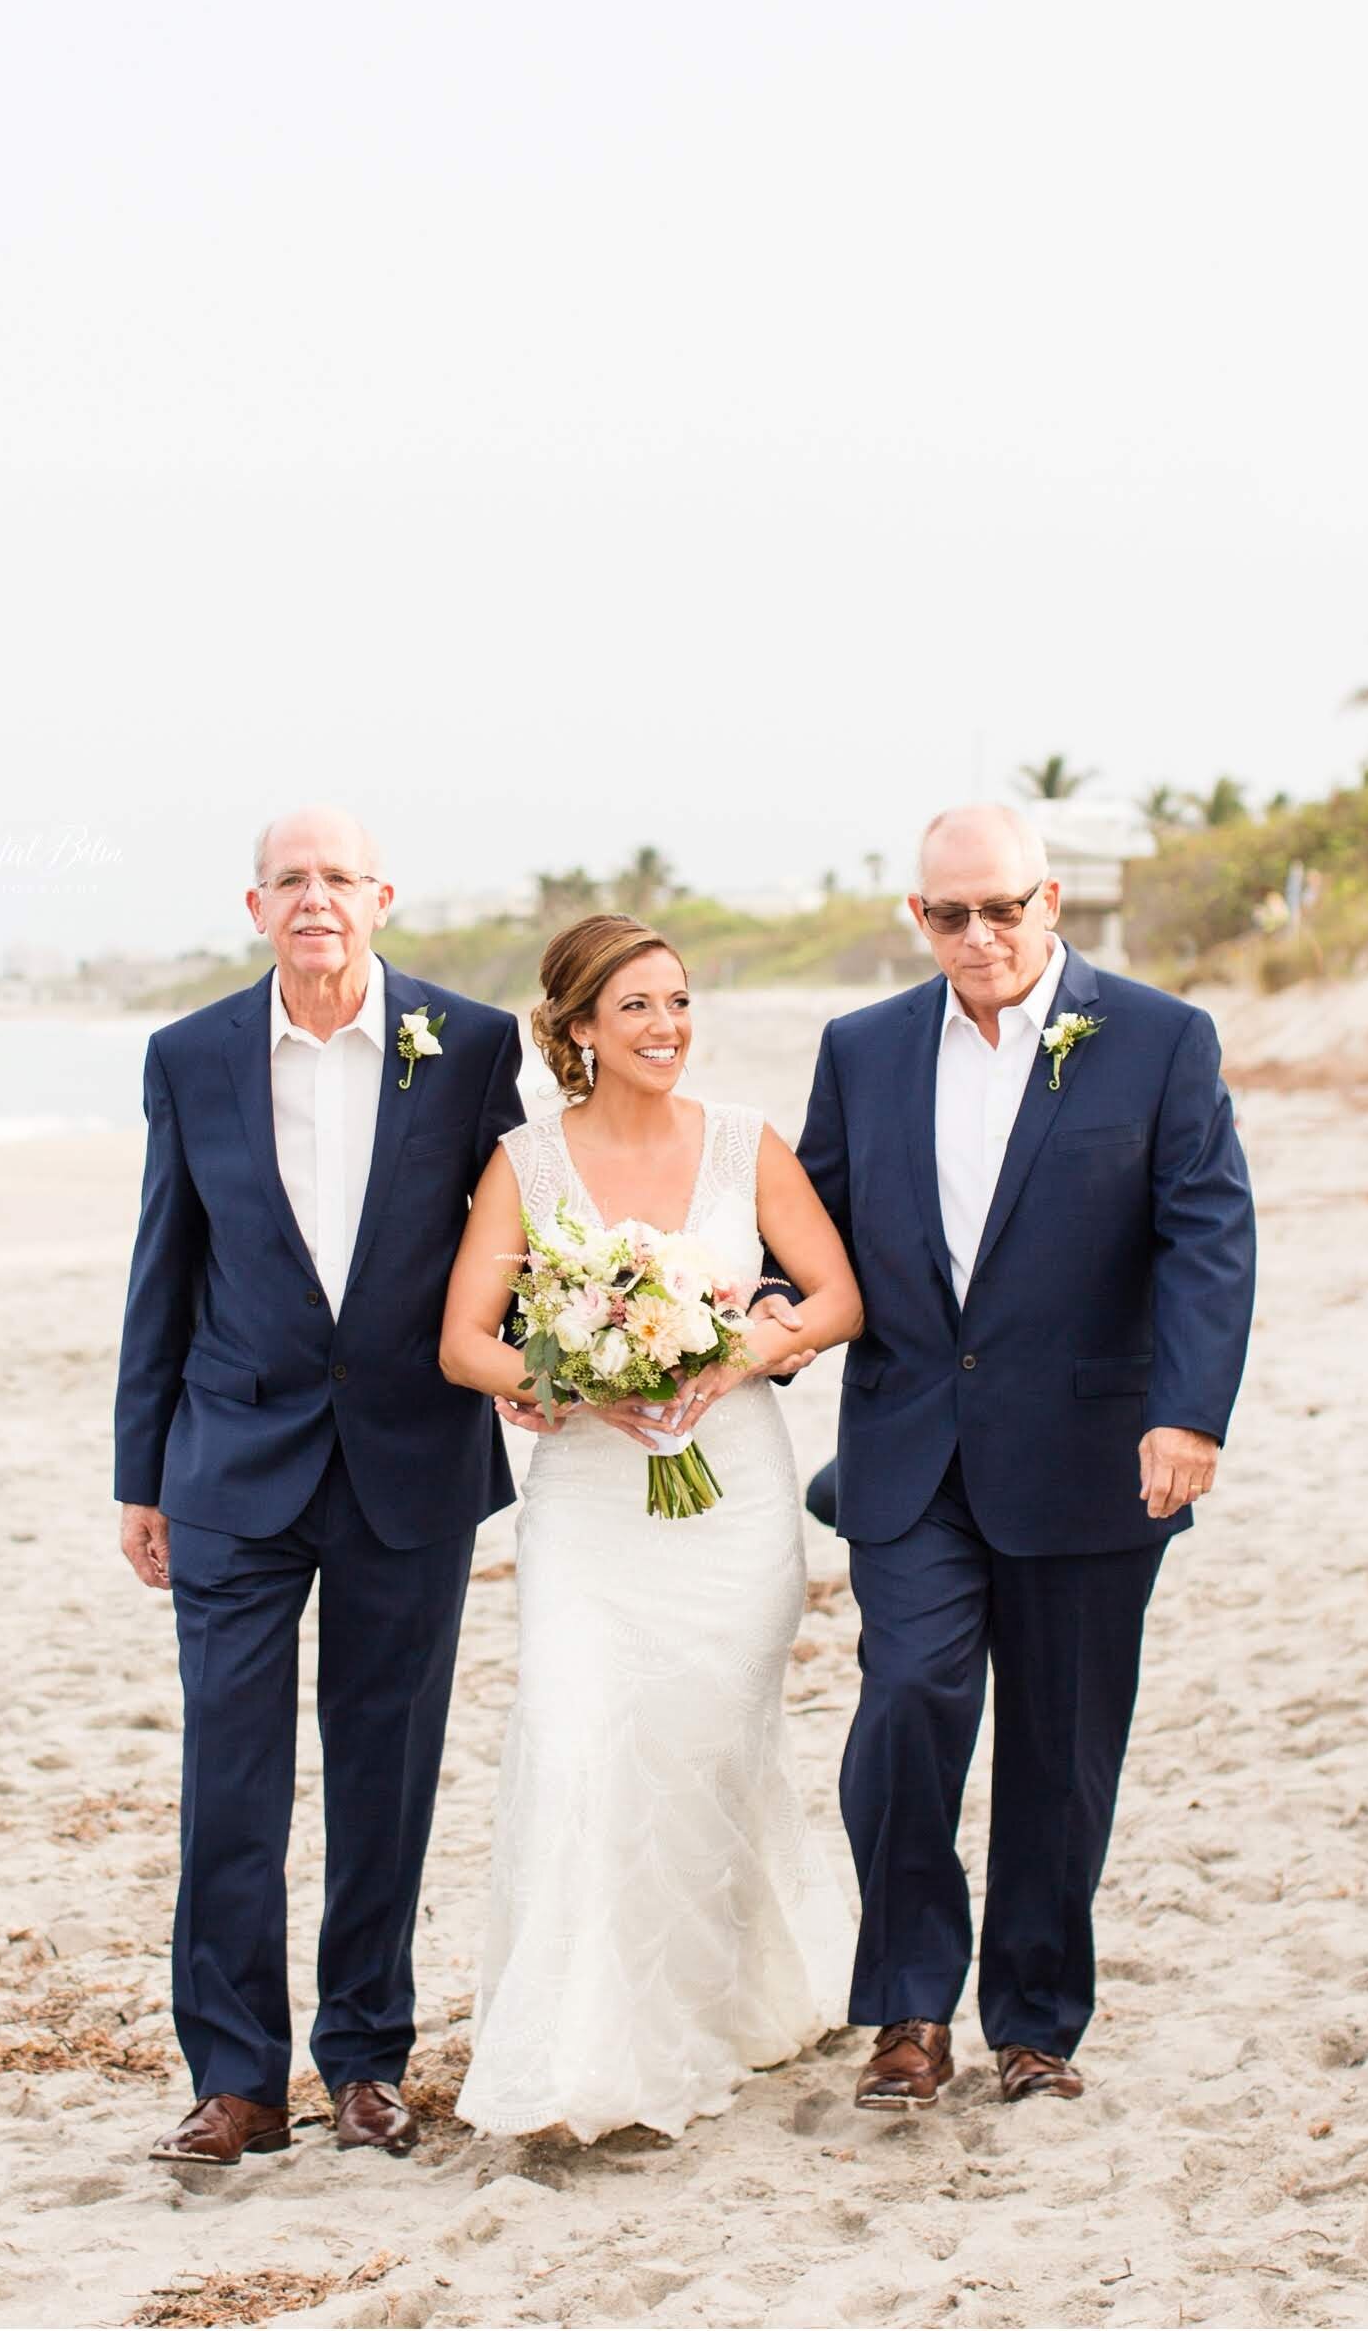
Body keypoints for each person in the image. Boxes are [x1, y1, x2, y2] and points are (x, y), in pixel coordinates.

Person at [785, 805, 1255, 2112]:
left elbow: (1206, 1235)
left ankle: (1037, 2020)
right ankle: (908, 2010)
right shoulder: (864, 1048)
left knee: (1060, 1747)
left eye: (1003, 908)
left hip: (1095, 1454)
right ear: (918, 918)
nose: (980, 935)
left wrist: (1189, 1411)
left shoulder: (1162, 1039)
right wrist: (742, 1321)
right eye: (951, 913)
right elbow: (810, 1226)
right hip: (908, 1452)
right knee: (910, 1702)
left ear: (1050, 902)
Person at [115, 806, 524, 2167]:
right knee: (230, 1776)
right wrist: (141, 1473)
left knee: (385, 1770)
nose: (314, 897)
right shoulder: (191, 1055)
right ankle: (234, 2080)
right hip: (229, 1467)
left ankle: (362, 2058)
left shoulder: (468, 1047)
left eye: (337, 876)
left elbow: (521, 1238)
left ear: (382, 897)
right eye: (289, 878)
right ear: (253, 906)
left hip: (413, 1460)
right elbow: (162, 1266)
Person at [438, 914, 862, 2141]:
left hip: (732, 1499)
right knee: (577, 1739)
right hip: (585, 1503)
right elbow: (465, 1338)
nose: (665, 1026)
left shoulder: (743, 1144)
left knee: (702, 1754)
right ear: (576, 1028)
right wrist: (574, 1380)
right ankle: (579, 2052)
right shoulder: (528, 1163)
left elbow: (837, 1294)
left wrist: (731, 1358)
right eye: (634, 1006)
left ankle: (710, 2005)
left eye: (677, 1001)